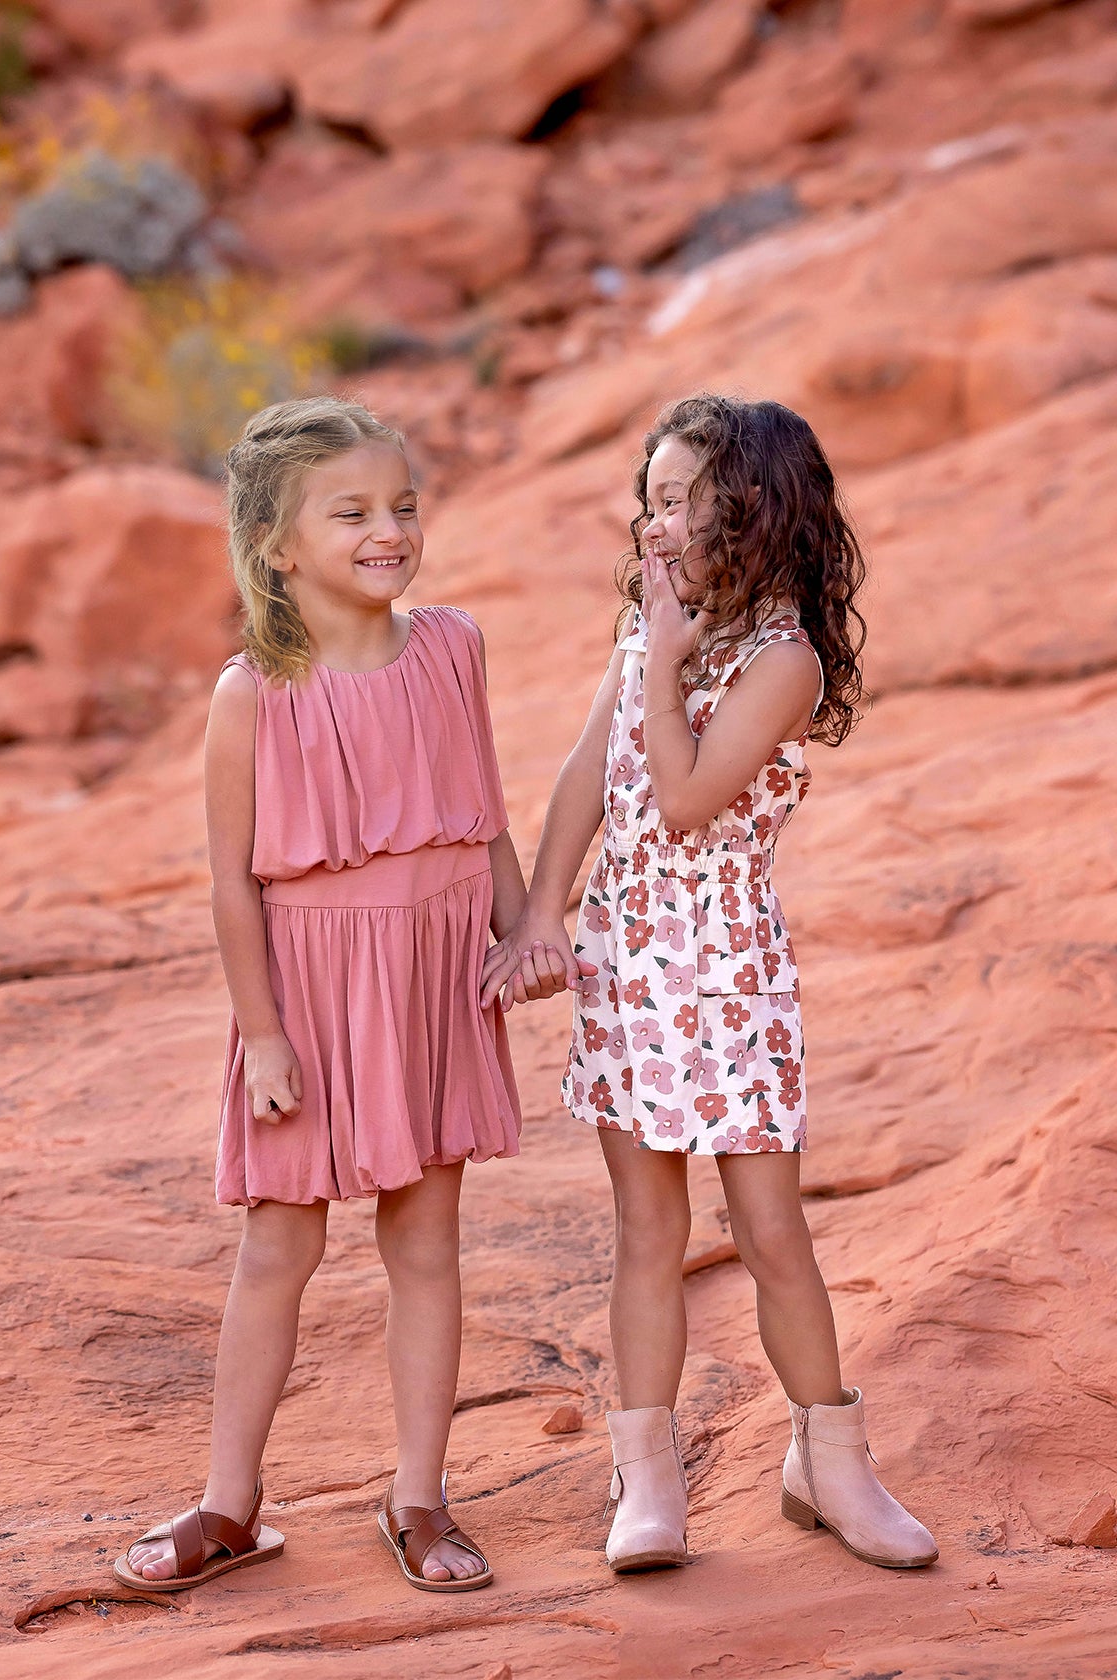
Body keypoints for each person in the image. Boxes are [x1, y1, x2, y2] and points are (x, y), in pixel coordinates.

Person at [482, 393, 938, 1574]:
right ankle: (648, 1481)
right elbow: (588, 777)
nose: (657, 522)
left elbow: (685, 801)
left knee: (769, 1227)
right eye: (650, 499)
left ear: (753, 509)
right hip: (629, 965)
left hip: (730, 973)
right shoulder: (652, 634)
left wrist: (671, 656)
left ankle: (829, 1461)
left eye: (681, 499)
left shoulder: (779, 658)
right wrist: (541, 914)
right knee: (648, 1227)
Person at [115, 397, 524, 1595]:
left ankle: (420, 1501)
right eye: (352, 512)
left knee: (426, 1237)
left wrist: (522, 930)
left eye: (402, 506)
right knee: (277, 1244)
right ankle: (229, 1505)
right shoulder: (251, 694)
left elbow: (484, 811)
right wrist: (265, 1037)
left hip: (433, 980)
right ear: (279, 546)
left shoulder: (452, 645)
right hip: (309, 989)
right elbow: (233, 887)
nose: (388, 530)